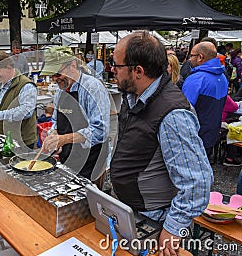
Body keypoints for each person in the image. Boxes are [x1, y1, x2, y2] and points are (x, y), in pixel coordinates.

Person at [110, 32, 212, 256]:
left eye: (116, 64)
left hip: (154, 221)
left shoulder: (173, 114)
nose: (112, 70)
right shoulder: (134, 95)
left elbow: (198, 183)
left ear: (138, 71)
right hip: (131, 212)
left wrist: (172, 229)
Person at [40, 46, 110, 184]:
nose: (54, 79)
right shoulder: (60, 91)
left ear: (72, 65)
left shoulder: (92, 88)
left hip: (91, 161)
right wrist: (53, 132)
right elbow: (56, 120)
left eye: (57, 74)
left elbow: (101, 130)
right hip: (69, 157)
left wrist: (64, 139)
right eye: (51, 75)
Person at [182, 41, 228, 159]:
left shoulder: (196, 79)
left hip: (194, 137)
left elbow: (183, 111)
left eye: (191, 56)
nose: (189, 59)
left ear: (200, 57)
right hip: (212, 134)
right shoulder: (223, 77)